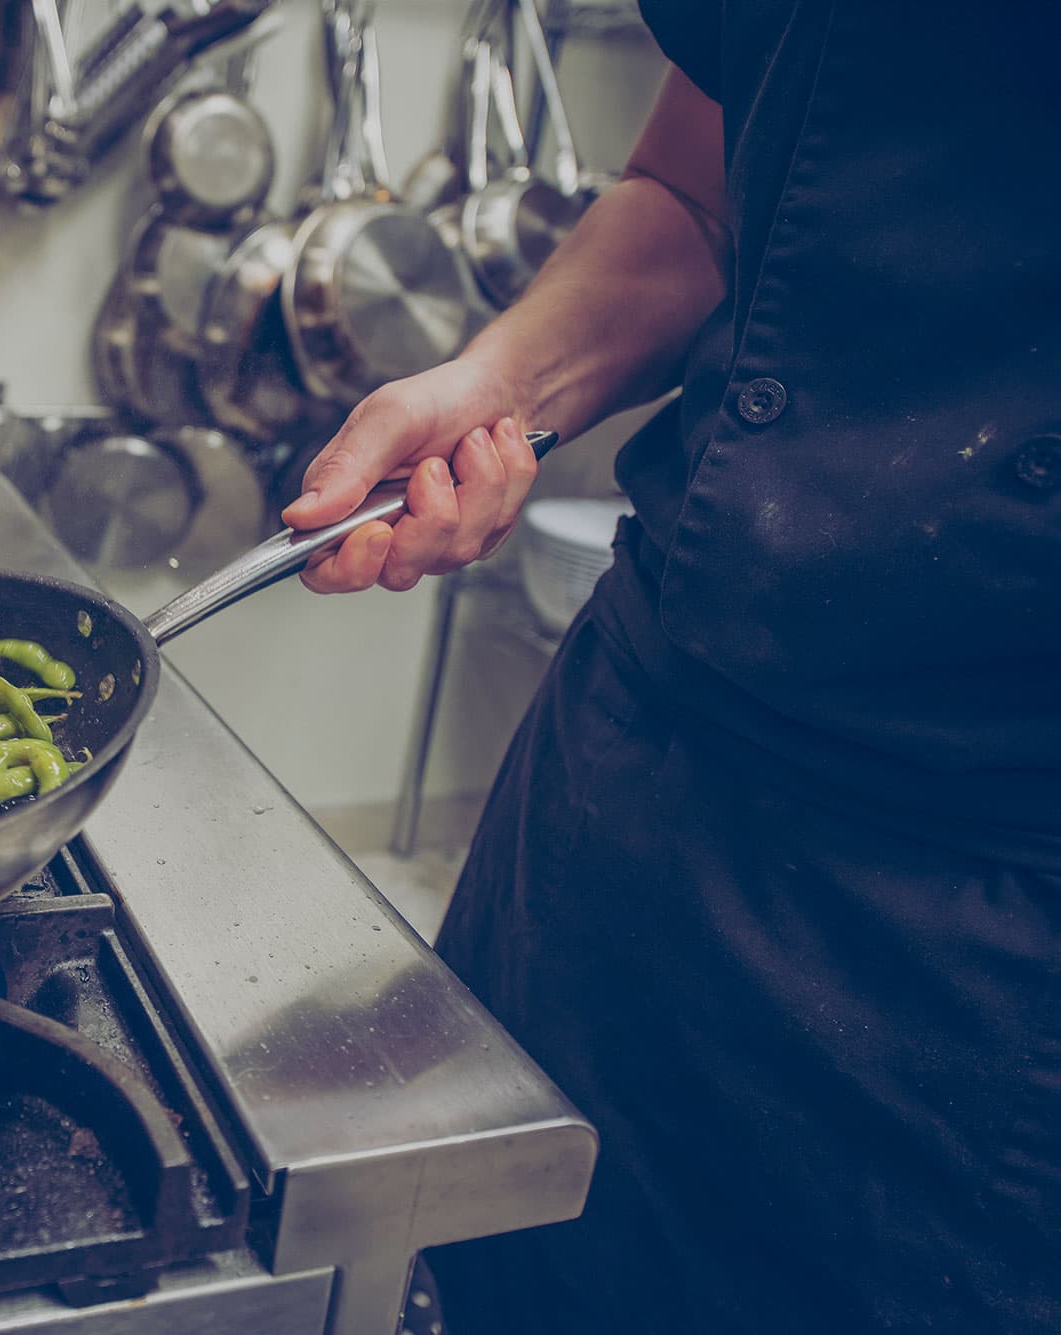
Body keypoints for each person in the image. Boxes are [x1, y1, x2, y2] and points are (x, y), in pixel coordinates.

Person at [280, 4, 1061, 1332]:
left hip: (965, 931)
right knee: (468, 1279)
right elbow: (694, 196)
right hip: (626, 782)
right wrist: (502, 384)